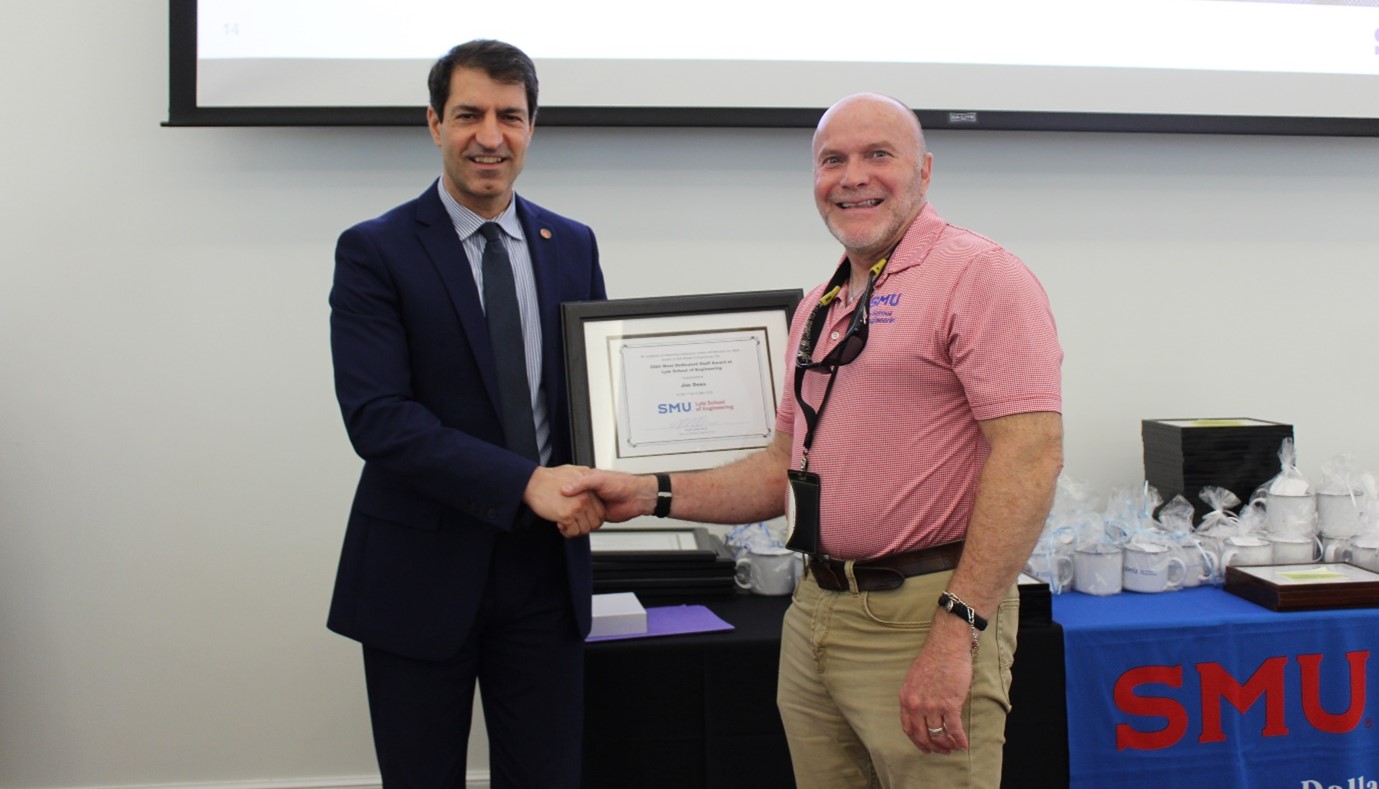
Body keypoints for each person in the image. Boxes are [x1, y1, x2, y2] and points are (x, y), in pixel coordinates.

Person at [563, 93, 1063, 788]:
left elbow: (1030, 456)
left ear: (924, 169)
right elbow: (780, 470)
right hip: (816, 612)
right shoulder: (820, 304)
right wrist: (648, 491)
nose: (852, 176)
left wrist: (956, 628)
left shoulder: (980, 276)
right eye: (832, 160)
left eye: (876, 155)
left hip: (924, 612)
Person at [326, 39, 606, 787]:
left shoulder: (571, 244)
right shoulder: (374, 251)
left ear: (531, 126)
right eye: (468, 114)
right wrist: (525, 481)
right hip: (419, 572)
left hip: (546, 572)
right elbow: (378, 417)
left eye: (509, 116)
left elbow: (590, 399)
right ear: (433, 123)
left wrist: (615, 476)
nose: (490, 135)